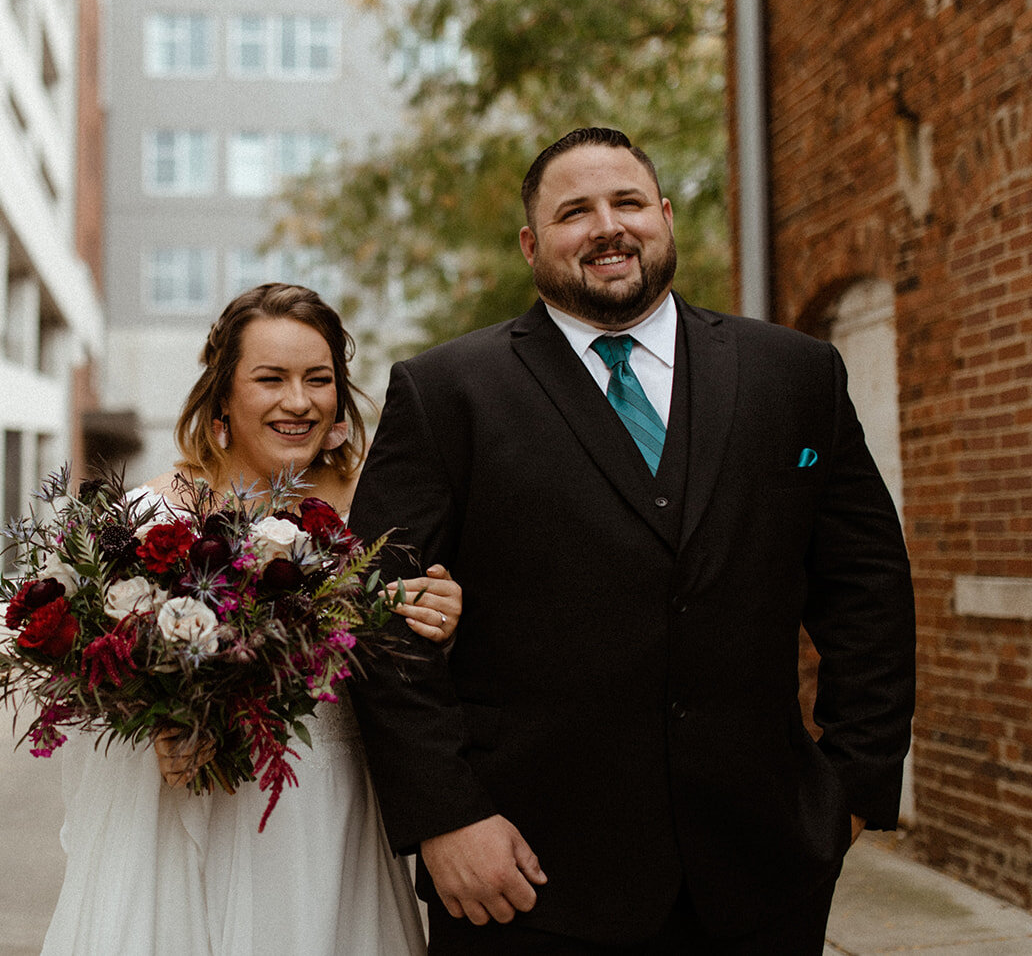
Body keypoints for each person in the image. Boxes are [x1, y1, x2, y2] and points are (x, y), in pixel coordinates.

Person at [347, 127, 916, 954]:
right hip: (524, 878)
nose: (607, 227)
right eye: (574, 211)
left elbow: (868, 587)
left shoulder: (795, 374)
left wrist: (850, 788)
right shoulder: (445, 393)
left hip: (763, 869)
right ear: (532, 244)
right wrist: (446, 814)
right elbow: (379, 616)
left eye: (627, 202)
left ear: (666, 216)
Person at [41, 282, 462, 955]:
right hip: (192, 814)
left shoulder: (375, 513)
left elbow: (408, 673)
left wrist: (439, 612)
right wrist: (159, 722)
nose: (298, 400)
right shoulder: (151, 519)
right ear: (224, 397)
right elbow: (92, 682)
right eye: (271, 378)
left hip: (336, 814)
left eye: (318, 379)